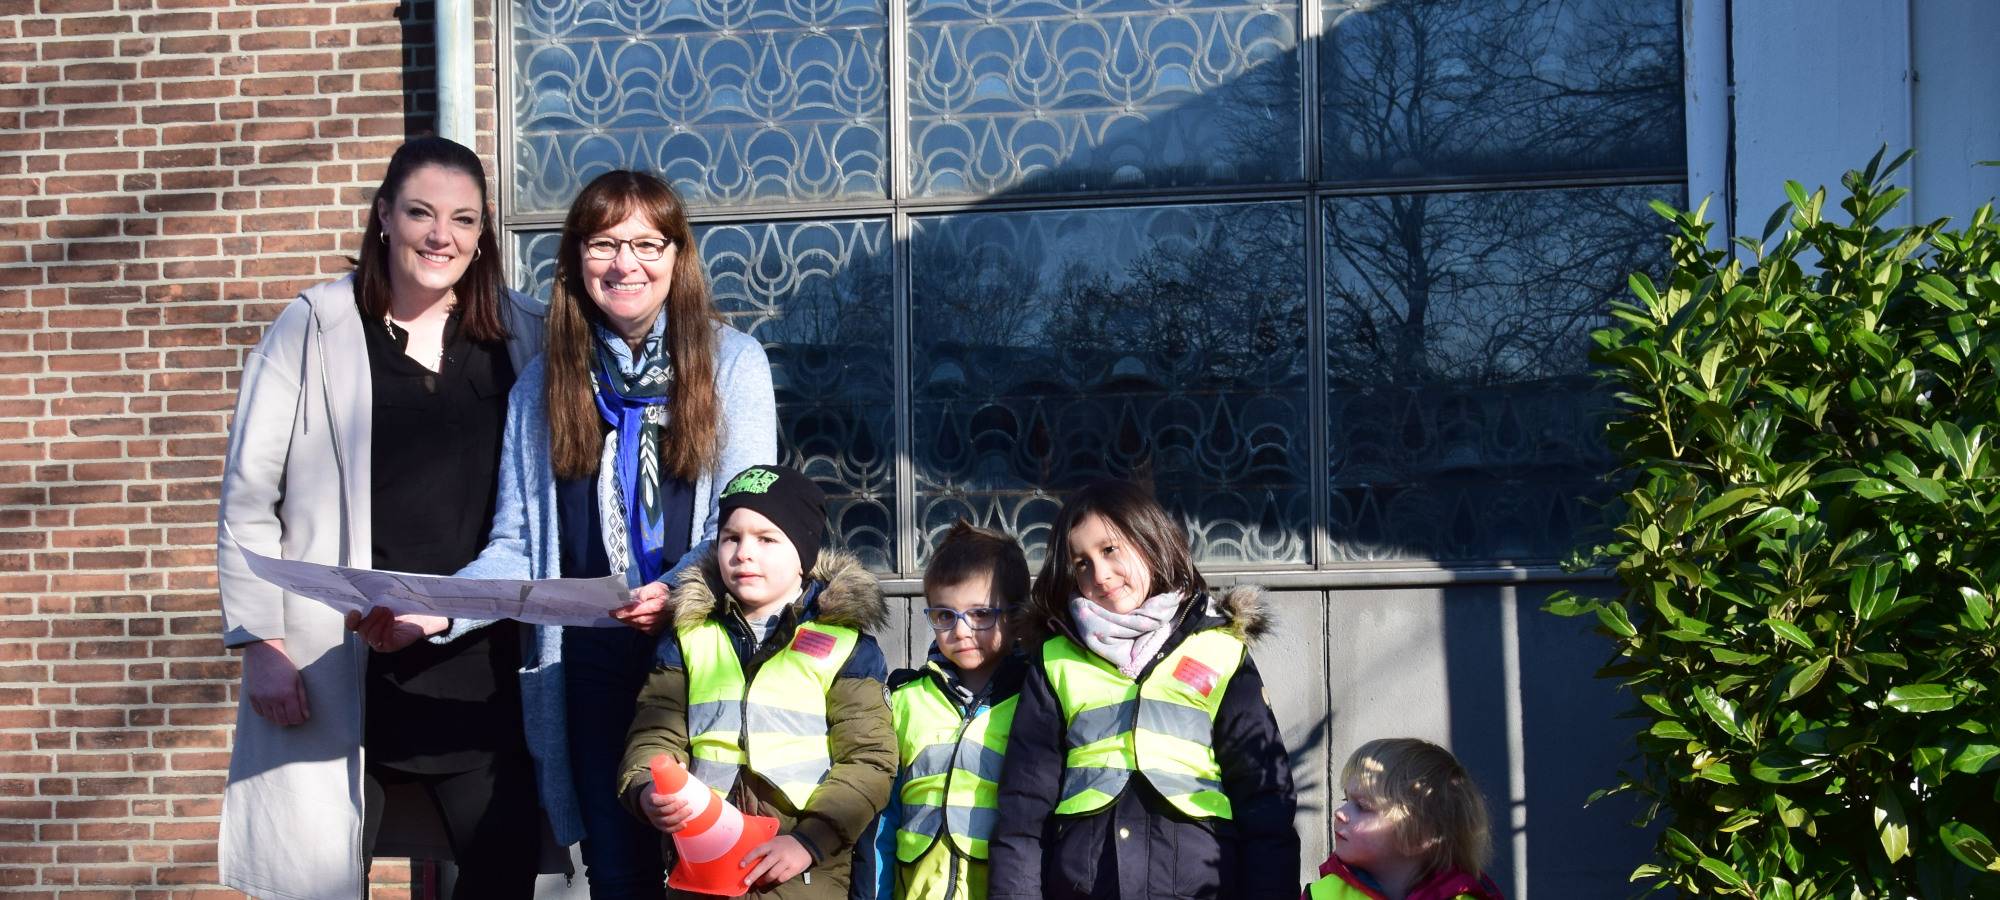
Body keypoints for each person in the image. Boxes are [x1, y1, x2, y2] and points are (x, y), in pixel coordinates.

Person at [216, 135, 550, 900]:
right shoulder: (312, 328)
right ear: (383, 218)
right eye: (422, 213)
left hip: (483, 677)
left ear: (483, 231)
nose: (442, 236)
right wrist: (261, 641)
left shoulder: (524, 334)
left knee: (502, 878)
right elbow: (246, 497)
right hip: (337, 670)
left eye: (464, 220)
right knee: (320, 883)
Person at [448, 169, 778, 898]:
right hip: (587, 665)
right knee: (616, 873)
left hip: (698, 656)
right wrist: (434, 610)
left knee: (713, 872)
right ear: (575, 260)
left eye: (645, 243)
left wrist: (675, 590)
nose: (624, 263)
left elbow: (748, 519)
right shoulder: (542, 384)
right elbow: (514, 544)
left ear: (676, 256)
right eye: (603, 243)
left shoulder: (733, 365)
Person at [988, 478, 1301, 900]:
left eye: (1110, 549)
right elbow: (1022, 814)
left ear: (1150, 539)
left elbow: (1266, 802)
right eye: (1081, 563)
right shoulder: (1054, 661)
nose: (1099, 574)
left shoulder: (1220, 649)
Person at [620, 463, 896, 899]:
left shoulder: (846, 646)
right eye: (732, 537)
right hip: (703, 871)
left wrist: (810, 840)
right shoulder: (690, 637)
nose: (744, 552)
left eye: (766, 539)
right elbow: (654, 734)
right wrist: (646, 789)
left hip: (801, 873)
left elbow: (869, 761)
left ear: (803, 554)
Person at [876, 520, 1034, 900]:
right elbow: (886, 817)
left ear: (1014, 618)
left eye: (980, 614)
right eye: (945, 615)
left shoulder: (1034, 702)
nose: (961, 631)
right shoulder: (906, 700)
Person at [1302, 738, 1504, 900]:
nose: (1340, 812)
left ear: (1421, 835)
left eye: (1363, 806)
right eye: (1346, 799)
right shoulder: (1324, 894)